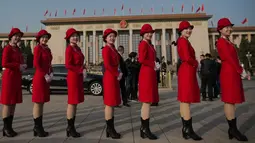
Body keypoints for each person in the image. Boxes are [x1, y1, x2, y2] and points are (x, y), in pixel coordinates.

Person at [216, 18, 248, 141]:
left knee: (232, 100)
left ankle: (232, 129)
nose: (229, 29)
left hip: (232, 72)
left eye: (230, 26)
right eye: (226, 27)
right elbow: (229, 58)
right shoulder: (221, 42)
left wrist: (239, 69)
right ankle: (233, 129)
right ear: (220, 29)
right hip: (229, 73)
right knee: (229, 100)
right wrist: (240, 70)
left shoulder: (228, 41)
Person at [177, 21, 202, 141]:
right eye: (186, 29)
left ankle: (185, 129)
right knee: (186, 99)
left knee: (184, 100)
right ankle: (188, 129)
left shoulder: (184, 40)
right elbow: (187, 57)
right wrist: (196, 63)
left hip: (186, 70)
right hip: (187, 70)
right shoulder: (182, 40)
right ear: (181, 31)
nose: (189, 30)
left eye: (190, 28)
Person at [1, 28, 27, 137]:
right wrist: (18, 66)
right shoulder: (7, 49)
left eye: (19, 36)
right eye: (15, 36)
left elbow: (20, 60)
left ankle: (10, 127)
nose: (17, 38)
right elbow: (4, 63)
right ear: (11, 37)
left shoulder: (18, 49)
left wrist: (23, 66)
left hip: (16, 77)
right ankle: (5, 128)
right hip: (9, 77)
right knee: (8, 102)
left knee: (14, 103)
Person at [138, 24, 159, 140]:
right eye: (147, 32)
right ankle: (145, 129)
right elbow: (141, 59)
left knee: (148, 101)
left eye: (151, 32)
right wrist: (153, 64)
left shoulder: (149, 44)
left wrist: (154, 64)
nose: (149, 34)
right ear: (142, 34)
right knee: (146, 101)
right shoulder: (143, 44)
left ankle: (143, 128)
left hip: (150, 73)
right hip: (146, 73)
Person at [65, 28, 86, 138]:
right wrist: (79, 71)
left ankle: (72, 126)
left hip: (78, 76)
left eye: (76, 35)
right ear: (68, 38)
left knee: (76, 102)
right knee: (72, 102)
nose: (75, 37)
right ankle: (70, 127)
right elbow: (68, 65)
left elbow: (81, 62)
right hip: (73, 76)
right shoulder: (69, 49)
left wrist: (84, 69)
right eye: (72, 36)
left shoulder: (77, 48)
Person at [32, 30, 53, 137]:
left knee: (42, 102)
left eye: (46, 37)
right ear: (39, 39)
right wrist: (45, 74)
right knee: (38, 102)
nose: (44, 39)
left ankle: (39, 127)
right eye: (43, 37)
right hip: (40, 78)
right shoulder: (38, 48)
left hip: (46, 78)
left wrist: (51, 72)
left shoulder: (47, 49)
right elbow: (36, 64)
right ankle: (37, 127)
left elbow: (49, 63)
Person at [102, 28, 122, 139]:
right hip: (110, 77)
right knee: (109, 103)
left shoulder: (113, 49)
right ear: (105, 38)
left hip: (114, 77)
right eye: (110, 36)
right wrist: (116, 73)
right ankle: (110, 129)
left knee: (113, 103)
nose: (112, 38)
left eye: (114, 36)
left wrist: (120, 72)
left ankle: (110, 128)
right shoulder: (106, 49)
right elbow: (108, 65)